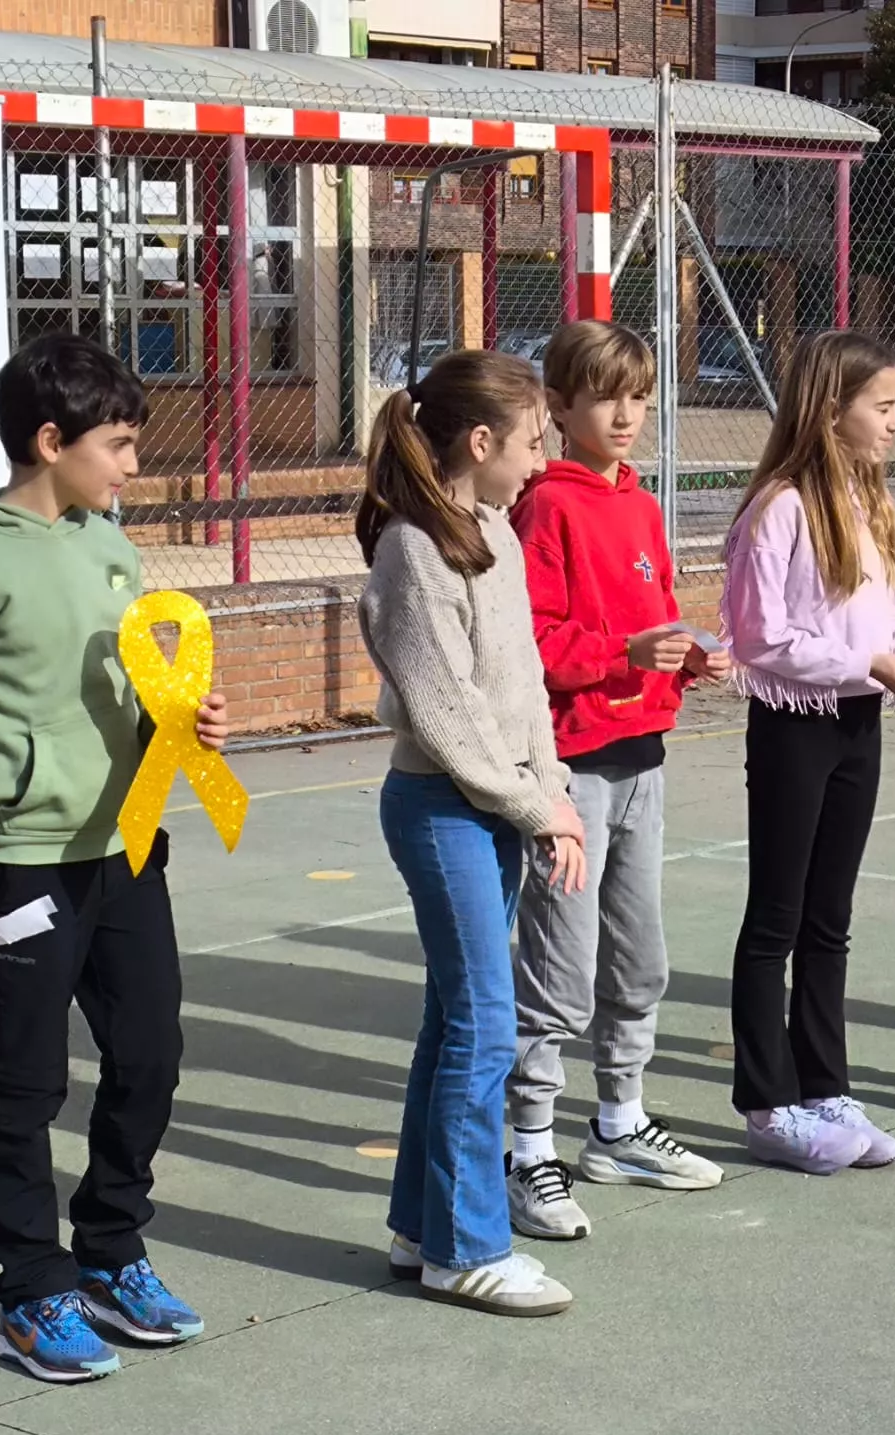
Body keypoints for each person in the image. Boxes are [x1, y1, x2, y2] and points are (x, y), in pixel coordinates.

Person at [0, 333, 227, 1382]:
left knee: (150, 1054)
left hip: (122, 853)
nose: (133, 467)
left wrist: (182, 718)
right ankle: (31, 1287)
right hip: (13, 866)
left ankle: (110, 1248)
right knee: (22, 1084)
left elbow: (127, 694)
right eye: (119, 445)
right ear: (52, 440)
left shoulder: (109, 547)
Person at [356, 349, 585, 1318]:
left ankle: (420, 1226)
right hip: (443, 808)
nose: (540, 460)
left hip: (491, 809)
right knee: (485, 1024)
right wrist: (534, 806)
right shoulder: (413, 549)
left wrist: (552, 792)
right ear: (480, 440)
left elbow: (523, 686)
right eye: (532, 441)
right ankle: (465, 1245)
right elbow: (448, 714)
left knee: (454, 1018)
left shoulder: (494, 532)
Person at [505, 321, 727, 1242]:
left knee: (640, 958)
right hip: (572, 769)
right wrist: (621, 654)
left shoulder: (638, 504)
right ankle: (526, 1151)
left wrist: (681, 663)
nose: (626, 413)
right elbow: (531, 647)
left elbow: (654, 620)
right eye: (604, 396)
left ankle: (619, 1123)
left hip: (643, 759)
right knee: (560, 970)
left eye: (638, 394)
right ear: (558, 407)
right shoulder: (545, 506)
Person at [723, 330, 895, 1174]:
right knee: (776, 916)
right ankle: (768, 1104)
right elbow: (760, 636)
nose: (894, 423)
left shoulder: (863, 498)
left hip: (856, 723)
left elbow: (868, 618)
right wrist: (861, 661)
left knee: (829, 919)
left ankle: (824, 1084)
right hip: (795, 727)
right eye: (881, 407)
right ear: (829, 409)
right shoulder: (780, 506)